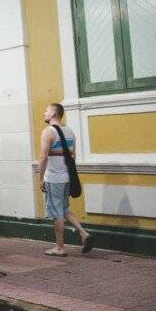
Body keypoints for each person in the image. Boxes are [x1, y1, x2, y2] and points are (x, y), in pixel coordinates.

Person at [39, 103, 93, 256]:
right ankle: (84, 233)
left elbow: (43, 157)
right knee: (64, 209)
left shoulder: (48, 132)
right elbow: (73, 156)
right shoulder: (70, 132)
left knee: (57, 214)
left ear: (54, 114)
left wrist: (40, 178)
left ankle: (60, 247)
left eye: (47, 110)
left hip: (54, 178)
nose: (44, 113)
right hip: (67, 177)